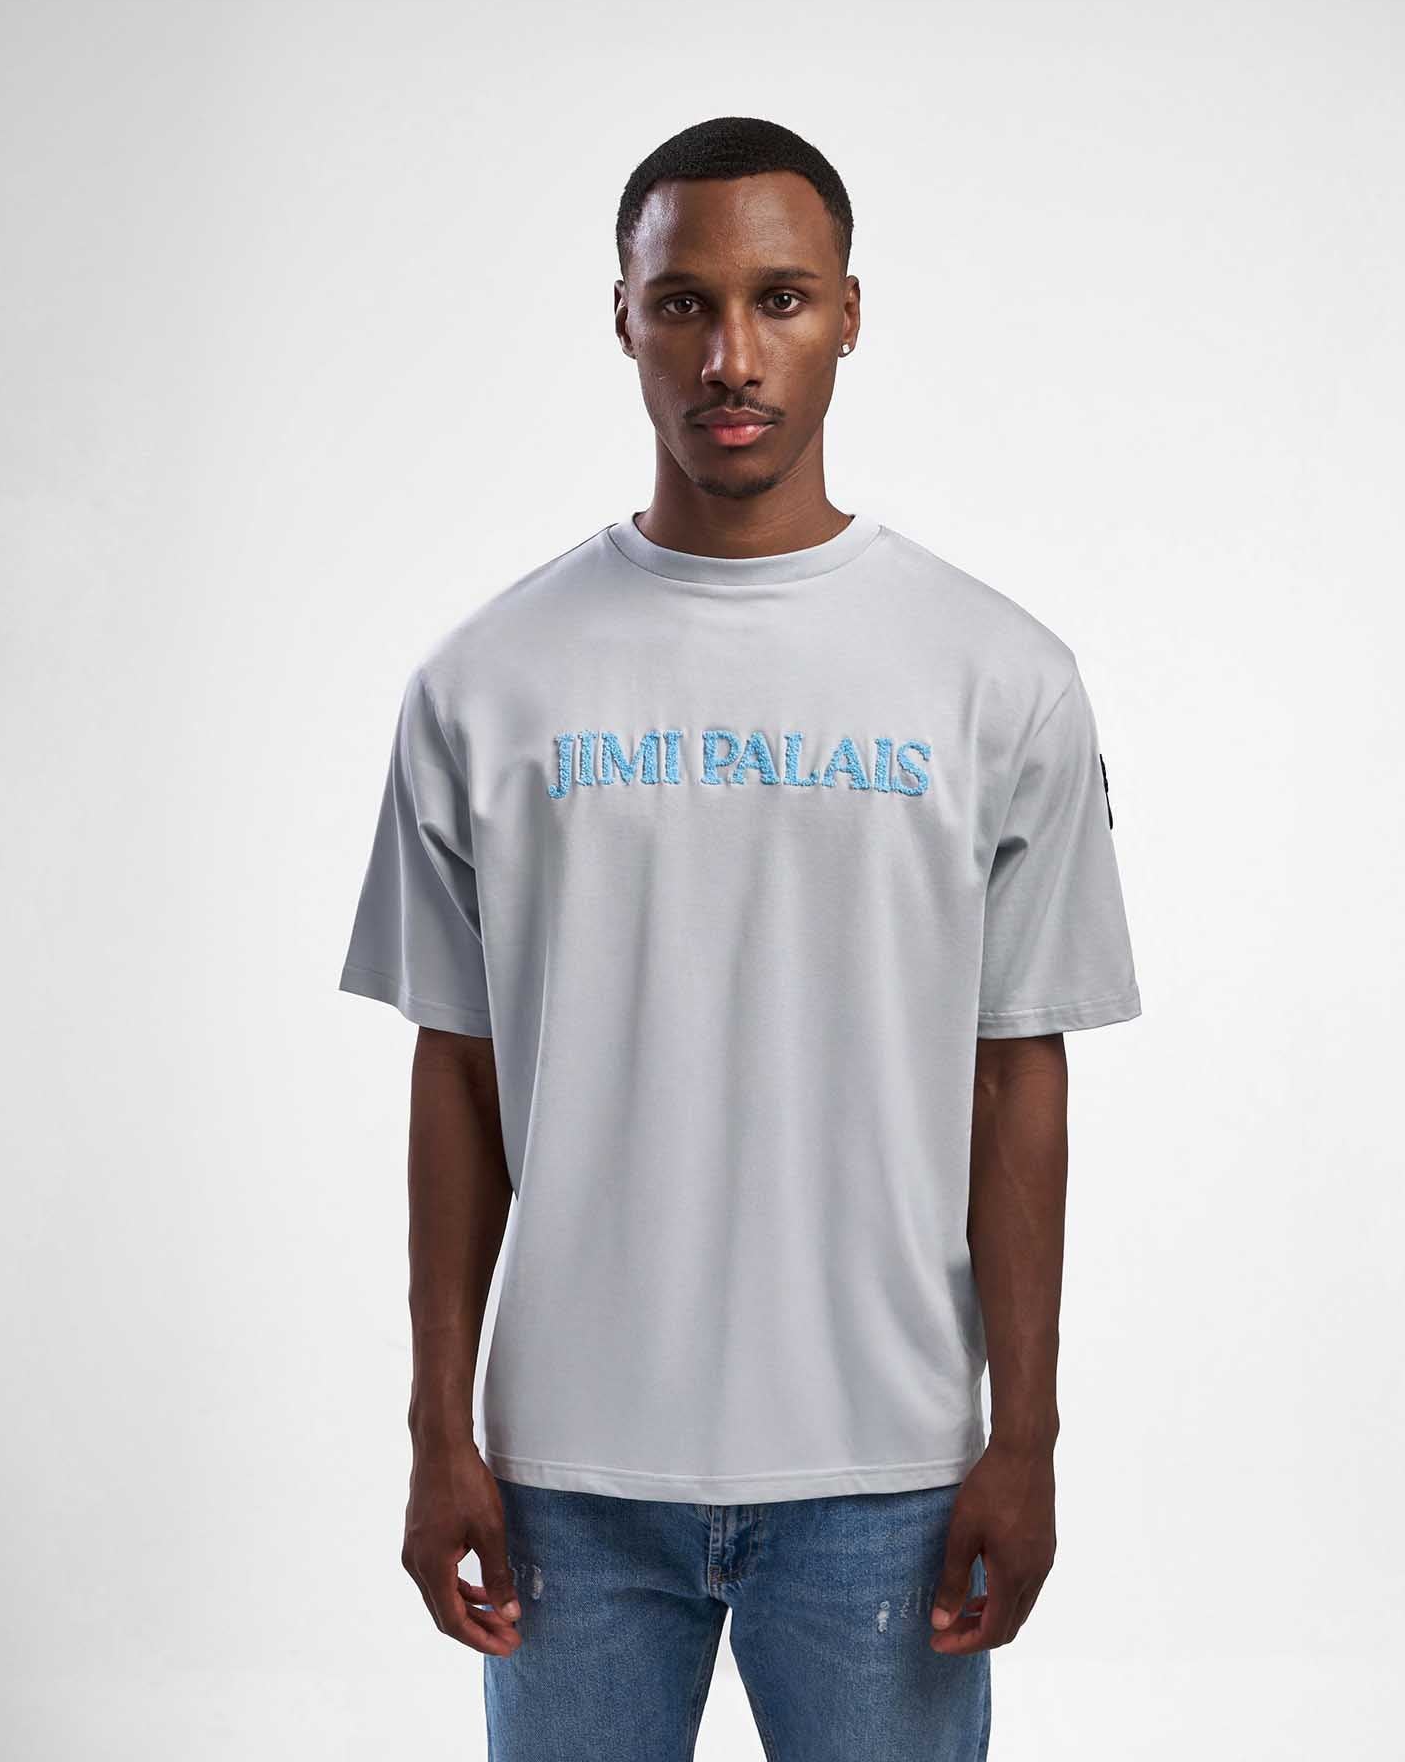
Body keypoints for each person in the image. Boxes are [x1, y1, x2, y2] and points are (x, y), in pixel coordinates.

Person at [337, 115, 1142, 1760]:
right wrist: (438, 1431)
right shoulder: (488, 684)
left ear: (849, 313)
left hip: (886, 1473)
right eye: (683, 303)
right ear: (623, 318)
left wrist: (1028, 1438)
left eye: (778, 299)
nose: (731, 356)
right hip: (568, 1475)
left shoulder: (998, 679)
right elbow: (458, 1077)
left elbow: (1015, 1081)